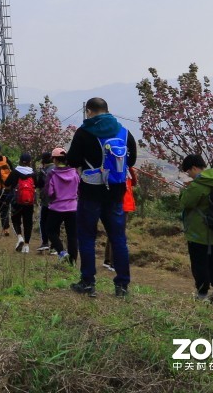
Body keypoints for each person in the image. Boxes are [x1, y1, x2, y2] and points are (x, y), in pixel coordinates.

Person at [65, 97, 137, 297]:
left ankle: (88, 283)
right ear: (107, 110)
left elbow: (73, 160)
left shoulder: (84, 131)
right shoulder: (123, 131)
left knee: (87, 237)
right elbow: (132, 159)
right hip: (116, 191)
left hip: (90, 192)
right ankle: (122, 285)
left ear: (89, 111)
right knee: (118, 238)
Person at [178, 155, 213, 305]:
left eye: (188, 172)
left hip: (199, 233)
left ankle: (202, 295)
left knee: (200, 263)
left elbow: (186, 203)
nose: (189, 175)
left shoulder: (198, 185)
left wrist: (184, 190)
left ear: (194, 168)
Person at [43, 147, 79, 264]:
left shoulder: (52, 174)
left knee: (50, 230)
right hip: (72, 207)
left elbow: (49, 192)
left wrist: (53, 200)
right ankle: (72, 261)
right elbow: (79, 189)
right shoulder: (74, 172)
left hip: (57, 208)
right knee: (72, 235)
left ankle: (62, 252)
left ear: (55, 160)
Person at [104, 167, 138, 271]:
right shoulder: (125, 169)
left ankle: (108, 260)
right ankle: (114, 262)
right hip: (122, 204)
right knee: (118, 233)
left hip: (114, 202)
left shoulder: (112, 167)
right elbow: (134, 182)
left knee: (112, 231)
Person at [7, 153, 36, 252]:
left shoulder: (15, 172)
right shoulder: (33, 173)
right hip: (29, 202)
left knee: (15, 220)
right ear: (30, 162)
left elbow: (6, 183)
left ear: (20, 160)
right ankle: (27, 246)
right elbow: (37, 184)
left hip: (16, 201)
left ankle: (20, 237)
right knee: (28, 223)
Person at [35, 151, 53, 252]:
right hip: (60, 201)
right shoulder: (58, 169)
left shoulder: (44, 171)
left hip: (47, 200)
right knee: (55, 222)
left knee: (43, 221)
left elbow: (39, 184)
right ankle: (54, 245)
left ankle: (45, 242)